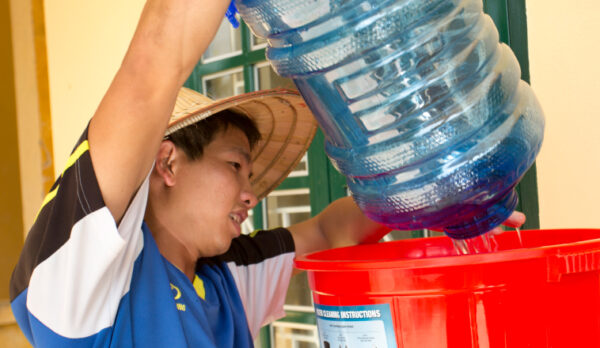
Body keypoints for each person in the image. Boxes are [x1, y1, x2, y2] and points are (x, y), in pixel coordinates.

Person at [9, 0, 526, 347]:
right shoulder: (81, 281)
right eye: (235, 165)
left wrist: (450, 197)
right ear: (167, 161)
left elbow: (328, 231)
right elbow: (150, 69)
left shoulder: (225, 276)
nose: (249, 193)